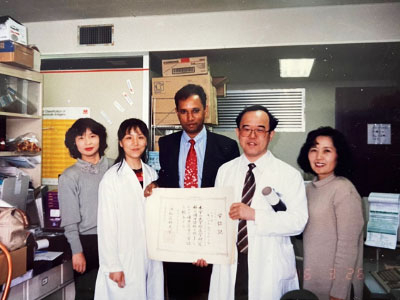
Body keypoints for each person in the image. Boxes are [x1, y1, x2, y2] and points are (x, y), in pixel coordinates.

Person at [144, 84, 240, 299]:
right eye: (184, 111)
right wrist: (157, 184)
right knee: (179, 292)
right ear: (177, 112)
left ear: (205, 110)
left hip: (210, 235)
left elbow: (231, 194)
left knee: (211, 293)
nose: (190, 117)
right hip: (178, 237)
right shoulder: (167, 143)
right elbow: (169, 178)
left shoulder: (227, 147)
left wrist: (213, 244)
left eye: (195, 110)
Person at [208, 105, 308, 300]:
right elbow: (216, 217)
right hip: (230, 260)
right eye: (246, 129)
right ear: (238, 132)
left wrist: (253, 215)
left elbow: (298, 222)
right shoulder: (225, 171)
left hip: (268, 261)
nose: (252, 135)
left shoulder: (289, 175)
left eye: (260, 129)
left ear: (271, 135)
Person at [94, 118, 164, 300]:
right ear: (120, 143)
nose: (135, 143)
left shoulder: (152, 175)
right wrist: (113, 265)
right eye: (128, 138)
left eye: (140, 137)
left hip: (151, 256)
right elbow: (106, 226)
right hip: (123, 259)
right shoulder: (111, 179)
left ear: (146, 142)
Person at [297, 126, 364, 300]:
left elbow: (348, 247)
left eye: (327, 151)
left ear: (338, 155)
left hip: (336, 289)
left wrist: (339, 292)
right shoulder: (309, 189)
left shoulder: (343, 190)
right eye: (314, 150)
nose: (319, 157)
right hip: (314, 281)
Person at [58, 118, 113, 300]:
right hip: (87, 243)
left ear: (101, 138)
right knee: (88, 295)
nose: (87, 142)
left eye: (92, 136)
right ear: (74, 142)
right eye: (81, 138)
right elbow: (70, 219)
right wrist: (77, 251)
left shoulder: (116, 167)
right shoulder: (69, 176)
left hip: (116, 240)